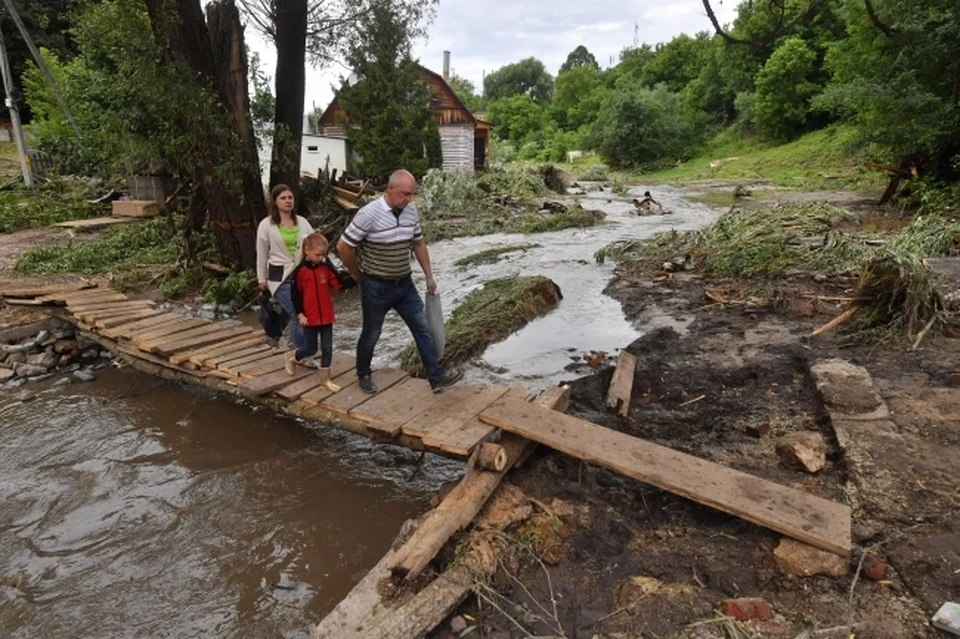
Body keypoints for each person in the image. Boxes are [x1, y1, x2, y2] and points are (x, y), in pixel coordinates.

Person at [337, 169, 462, 395]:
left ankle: (436, 377)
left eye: (411, 194)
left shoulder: (410, 212)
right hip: (376, 287)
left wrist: (429, 276)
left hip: (404, 285)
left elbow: (419, 244)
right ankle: (363, 373)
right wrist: (356, 274)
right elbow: (343, 247)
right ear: (390, 189)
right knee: (371, 334)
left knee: (422, 328)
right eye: (405, 194)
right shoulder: (369, 214)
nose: (409, 199)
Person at [256, 184, 315, 356]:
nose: (288, 201)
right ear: (275, 201)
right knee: (298, 314)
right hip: (279, 277)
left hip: (302, 276)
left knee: (301, 313)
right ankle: (301, 354)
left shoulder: (303, 222)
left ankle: (292, 344)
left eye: (290, 197)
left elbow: (314, 245)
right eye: (283, 198)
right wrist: (261, 279)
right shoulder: (266, 225)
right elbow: (262, 253)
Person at [285, 233, 343, 390]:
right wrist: (300, 314)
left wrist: (355, 277)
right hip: (309, 317)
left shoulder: (325, 268)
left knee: (328, 348)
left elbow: (338, 284)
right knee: (311, 349)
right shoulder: (300, 272)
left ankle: (325, 379)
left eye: (323, 254)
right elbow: (295, 295)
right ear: (306, 250)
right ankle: (293, 357)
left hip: (326, 316)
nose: (320, 258)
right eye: (318, 254)